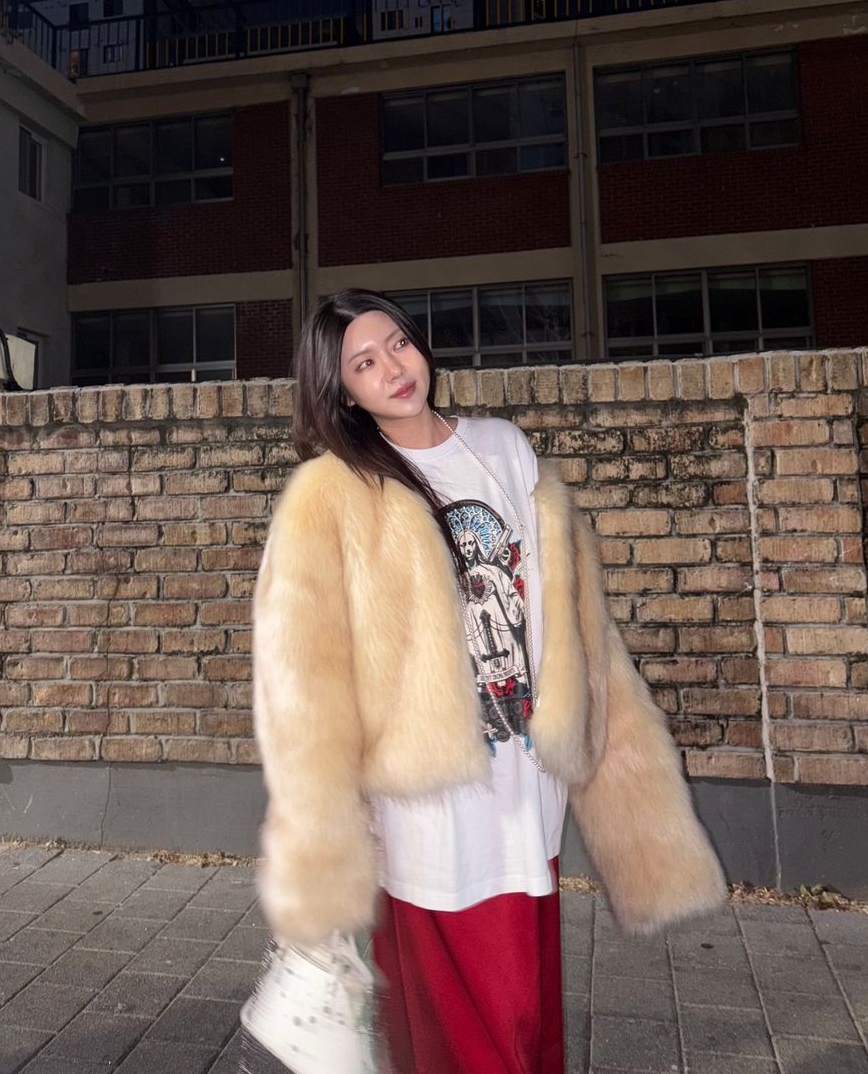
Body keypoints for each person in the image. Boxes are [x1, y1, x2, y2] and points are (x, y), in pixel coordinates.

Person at [251, 288, 725, 1074]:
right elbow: (302, 681)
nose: (393, 367)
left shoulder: (503, 450)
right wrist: (325, 829)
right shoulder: (334, 493)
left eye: (397, 343)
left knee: (527, 1020)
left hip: (526, 782)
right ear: (343, 392)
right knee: (470, 1031)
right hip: (428, 807)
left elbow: (576, 623)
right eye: (364, 363)